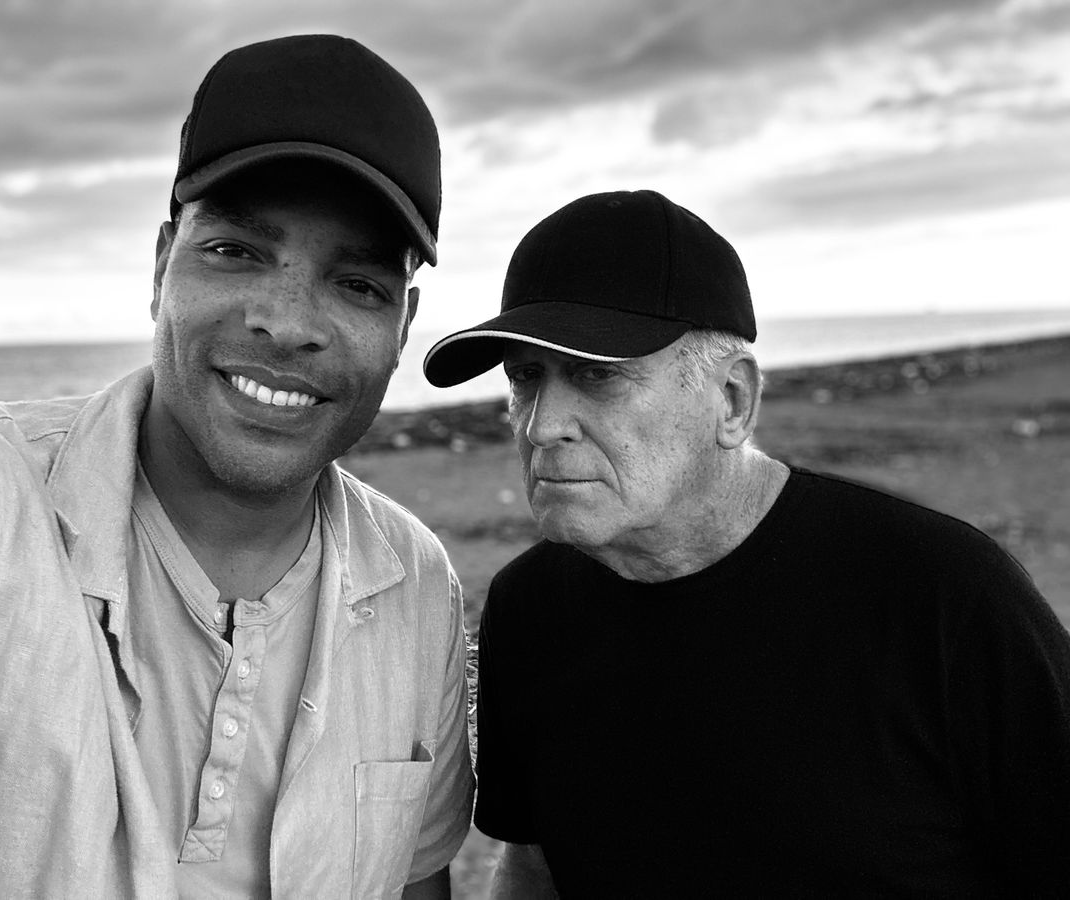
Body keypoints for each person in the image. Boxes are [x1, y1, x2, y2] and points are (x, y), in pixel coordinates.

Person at [0, 35, 473, 898]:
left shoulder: (416, 587)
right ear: (162, 267)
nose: (287, 321)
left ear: (403, 326)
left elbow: (418, 879)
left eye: (358, 285)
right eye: (236, 252)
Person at [422, 189, 1070, 897]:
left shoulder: (945, 596)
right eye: (524, 377)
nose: (542, 427)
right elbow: (533, 866)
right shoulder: (528, 608)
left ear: (732, 400)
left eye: (597, 375)